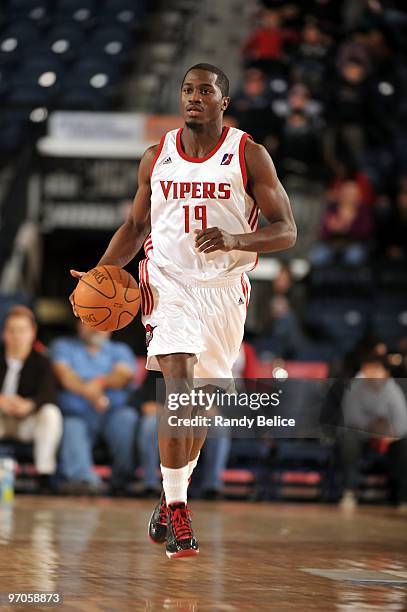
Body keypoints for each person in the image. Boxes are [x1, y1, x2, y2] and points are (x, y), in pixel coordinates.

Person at [69, 63, 296, 558]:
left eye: (206, 90)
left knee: (201, 408)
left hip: (225, 287)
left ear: (223, 102)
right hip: (167, 280)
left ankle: (171, 494)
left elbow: (286, 230)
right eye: (188, 90)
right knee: (179, 384)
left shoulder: (249, 154)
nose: (195, 97)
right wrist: (99, 273)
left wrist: (237, 239)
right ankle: (178, 511)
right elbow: (134, 228)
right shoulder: (157, 156)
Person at [51, 322, 138, 496]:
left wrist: (99, 383)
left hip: (112, 413)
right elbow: (64, 375)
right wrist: (90, 392)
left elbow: (124, 375)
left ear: (111, 328)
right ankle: (83, 481)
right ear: (78, 325)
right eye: (89, 322)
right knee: (71, 426)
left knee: (127, 418)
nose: (95, 327)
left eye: (101, 322)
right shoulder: (63, 346)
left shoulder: (120, 350)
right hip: (77, 414)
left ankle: (123, 480)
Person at [0, 306, 62, 492]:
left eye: (22, 330)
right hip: (2, 419)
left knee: (51, 414)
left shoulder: (42, 360)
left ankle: (44, 475)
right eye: (11, 330)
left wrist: (30, 404)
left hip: (28, 421)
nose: (16, 336)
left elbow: (50, 394)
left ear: (32, 333)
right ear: (4, 333)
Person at [338, 354, 407, 511]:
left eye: (377, 369)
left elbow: (402, 422)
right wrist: (373, 428)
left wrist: (390, 435)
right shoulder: (355, 387)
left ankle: (403, 497)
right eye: (368, 369)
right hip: (361, 435)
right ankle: (350, 492)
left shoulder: (393, 390)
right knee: (348, 439)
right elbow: (351, 418)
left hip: (387, 437)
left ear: (386, 373)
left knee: (404, 443)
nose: (372, 373)